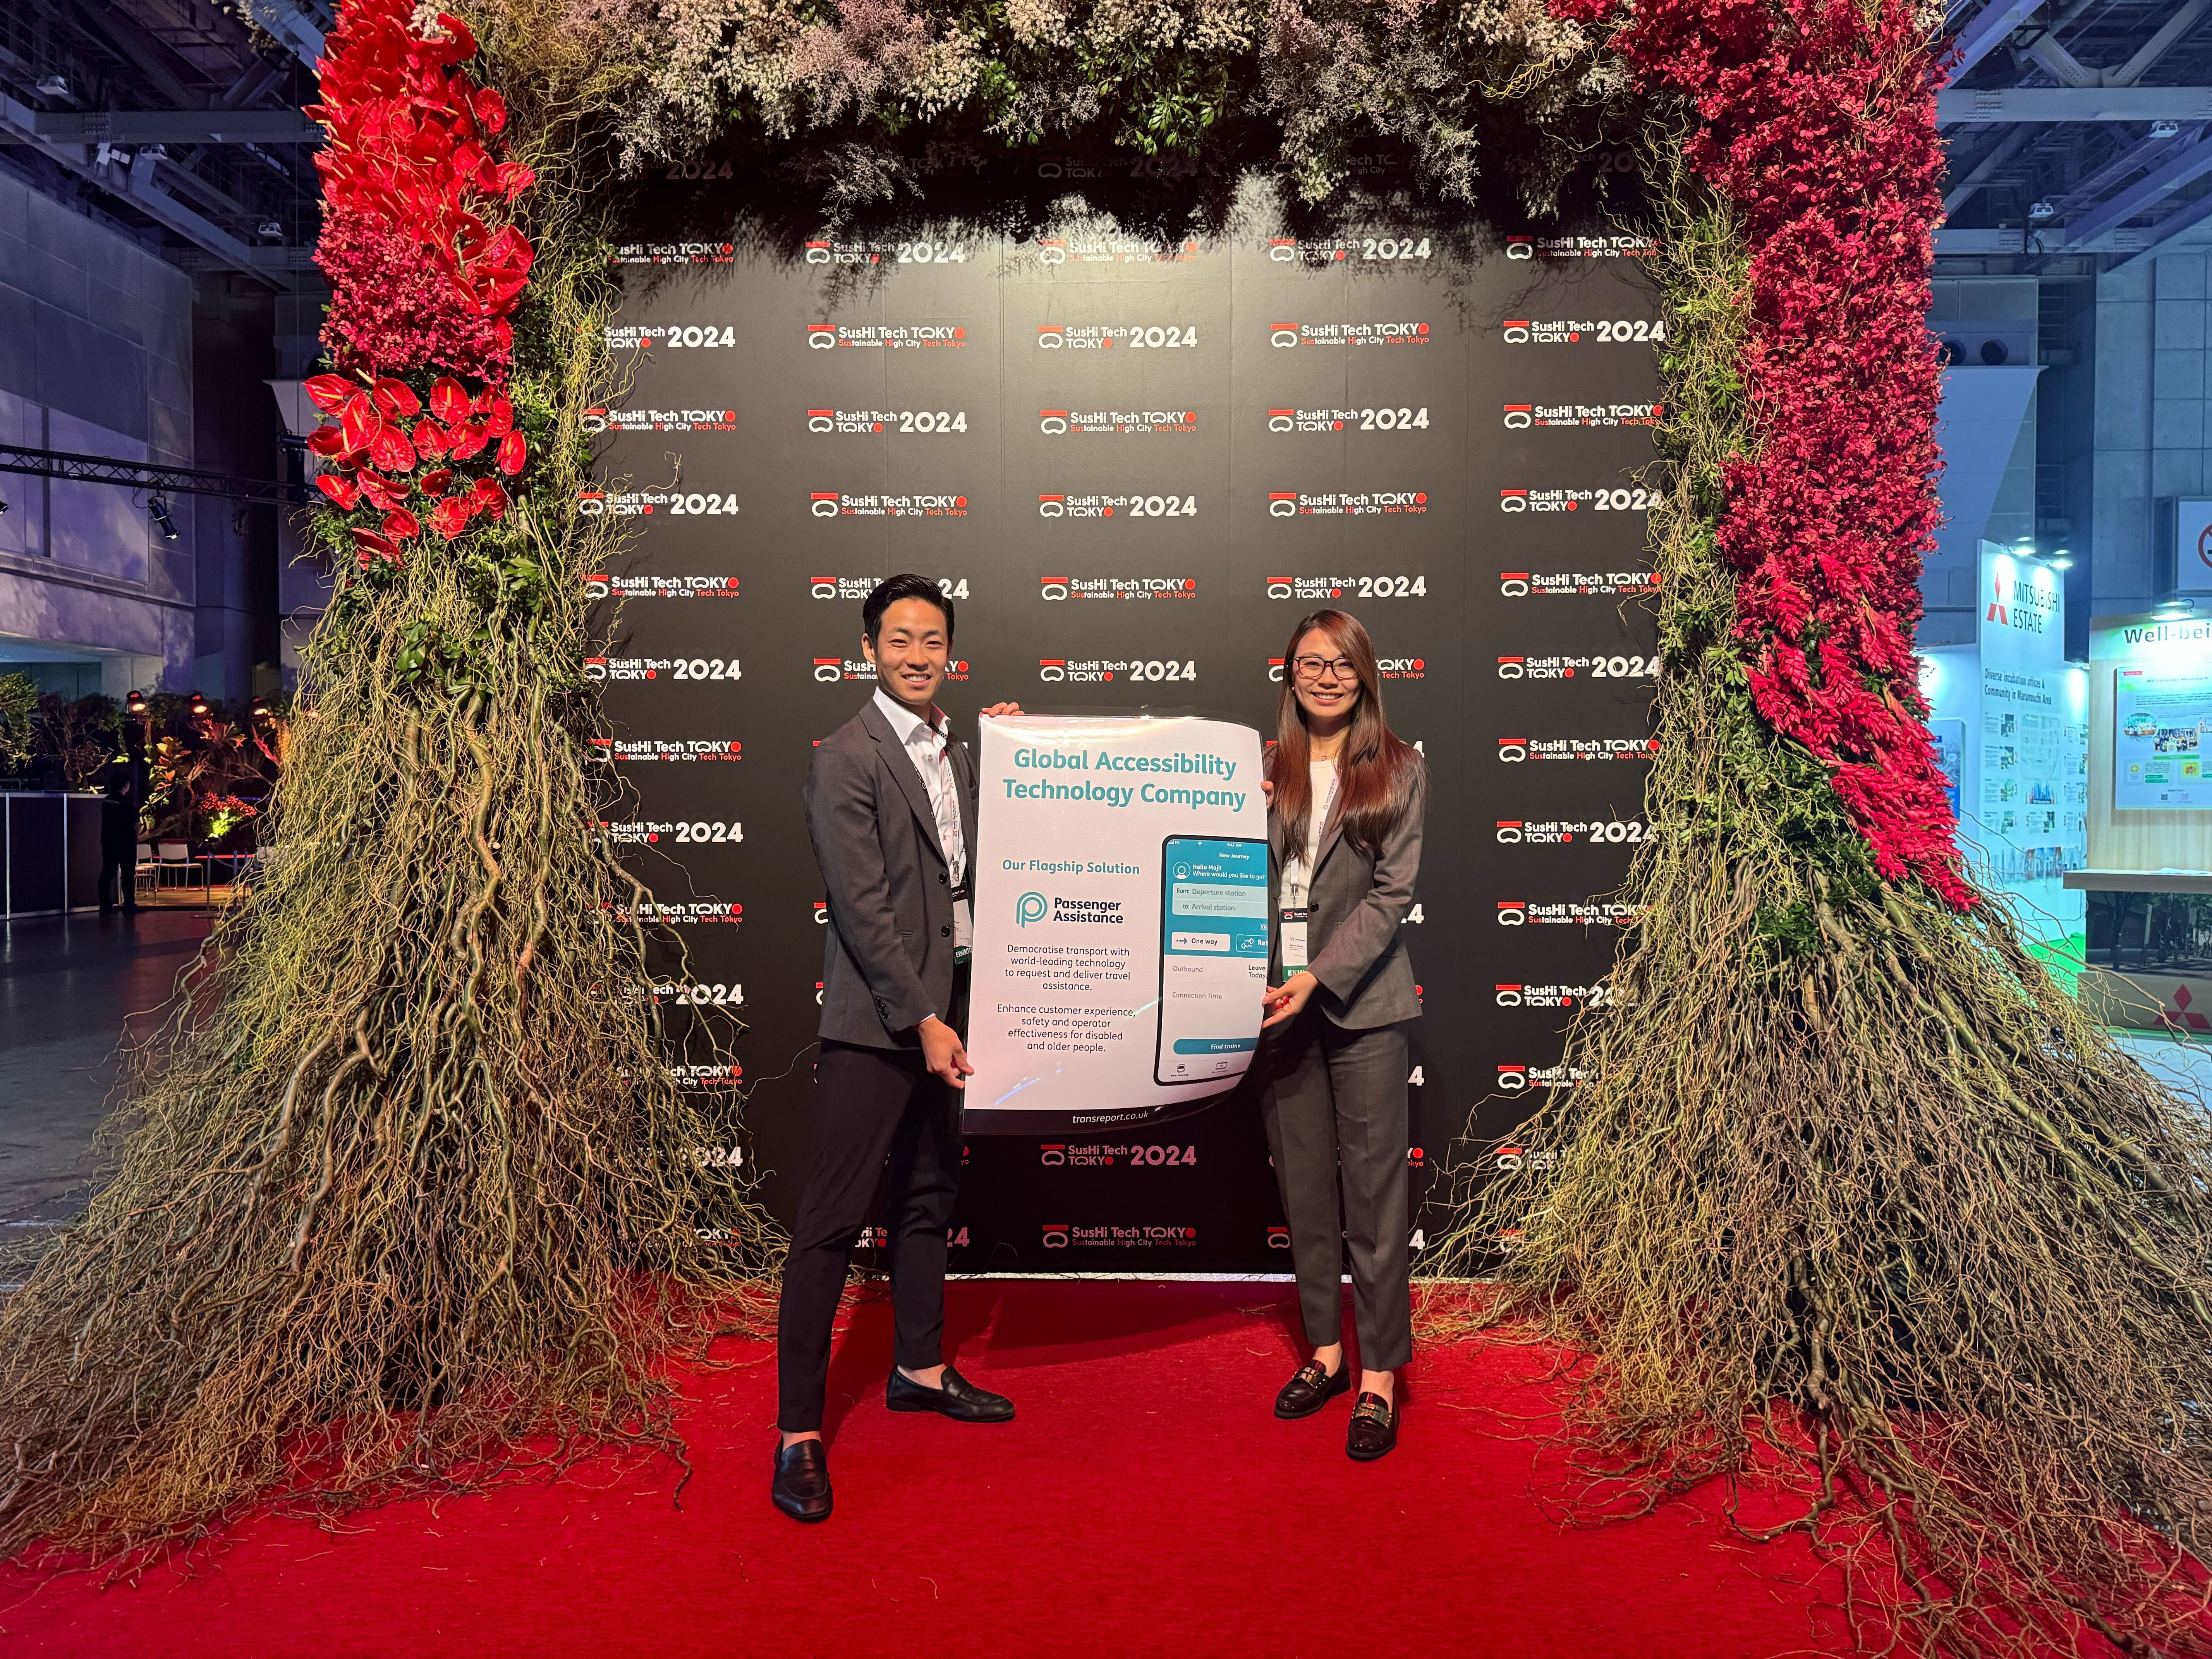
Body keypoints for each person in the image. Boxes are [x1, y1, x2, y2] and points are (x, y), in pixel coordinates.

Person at [773, 573, 1024, 1523]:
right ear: (870, 648)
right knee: (832, 1222)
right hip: (882, 1024)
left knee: (929, 1196)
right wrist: (921, 1019)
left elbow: (985, 853)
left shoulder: (958, 752)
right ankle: (799, 1434)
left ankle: (918, 1367)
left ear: (948, 651)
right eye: (900, 640)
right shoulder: (846, 756)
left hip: (952, 1012)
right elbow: (864, 910)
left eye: (933, 642)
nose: (918, 656)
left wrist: (1016, 751)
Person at [1256, 608, 1427, 1461]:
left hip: (1359, 1006)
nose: (1325, 677)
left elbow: (1391, 895)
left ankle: (1379, 1377)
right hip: (1273, 1012)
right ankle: (1325, 1354)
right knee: (1307, 1199)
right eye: (1311, 663)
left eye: (1342, 665)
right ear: (1288, 672)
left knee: (1373, 1200)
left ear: (1365, 677)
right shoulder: (1258, 768)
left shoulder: (1398, 768)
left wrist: (1317, 974)